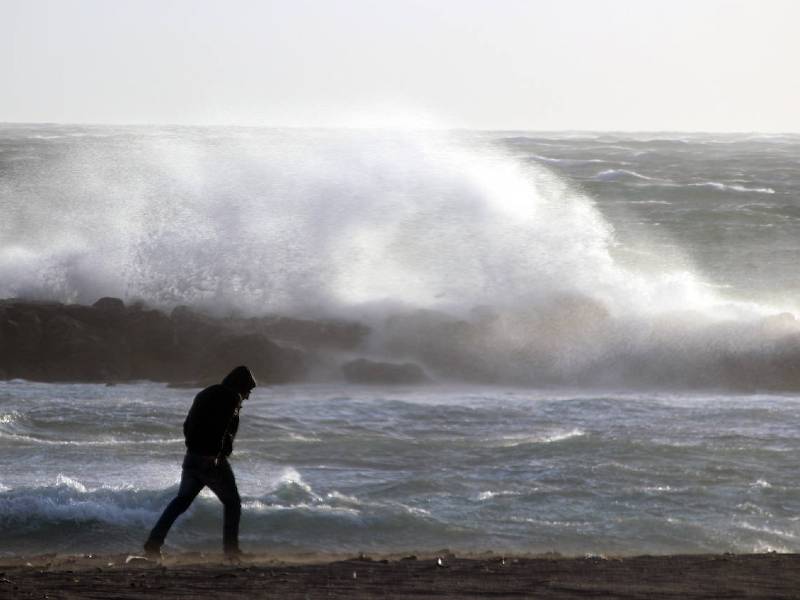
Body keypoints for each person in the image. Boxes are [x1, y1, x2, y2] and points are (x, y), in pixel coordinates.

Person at [144, 365, 257, 560]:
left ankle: (153, 543)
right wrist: (216, 454)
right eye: (248, 390)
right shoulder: (231, 397)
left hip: (192, 457)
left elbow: (187, 425)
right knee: (233, 503)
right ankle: (231, 551)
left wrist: (193, 448)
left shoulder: (205, 393)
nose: (247, 396)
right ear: (240, 386)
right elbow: (221, 428)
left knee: (181, 502)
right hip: (211, 460)